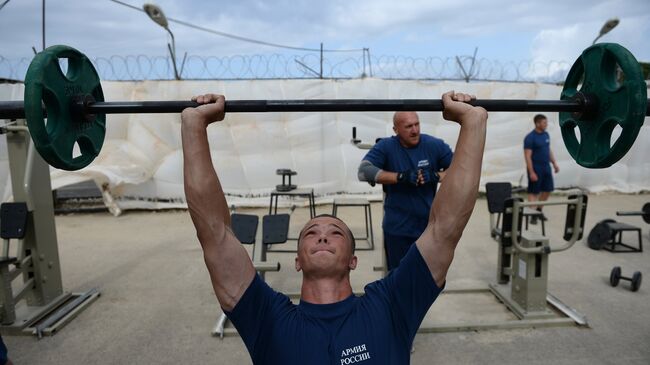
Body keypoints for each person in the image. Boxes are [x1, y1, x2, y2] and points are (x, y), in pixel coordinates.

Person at [181, 91, 487, 365]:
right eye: (310, 233)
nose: (323, 234)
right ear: (297, 260)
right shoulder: (267, 317)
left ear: (354, 260)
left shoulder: (390, 306)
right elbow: (215, 233)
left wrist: (473, 122)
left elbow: (446, 226)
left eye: (336, 232)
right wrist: (194, 126)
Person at [357, 112, 453, 270]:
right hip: (398, 229)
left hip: (428, 229)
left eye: (417, 124)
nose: (415, 130)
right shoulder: (386, 146)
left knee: (426, 280)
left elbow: (460, 169)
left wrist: (436, 175)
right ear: (396, 130)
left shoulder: (433, 145)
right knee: (398, 279)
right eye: (408, 126)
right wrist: (400, 177)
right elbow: (363, 171)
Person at [523, 114, 559, 223]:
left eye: (546, 122)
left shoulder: (546, 135)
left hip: (546, 168)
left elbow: (548, 150)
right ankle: (532, 215)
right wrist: (532, 172)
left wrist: (554, 163)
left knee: (547, 190)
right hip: (536, 168)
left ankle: (539, 210)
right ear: (537, 123)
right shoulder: (530, 138)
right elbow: (527, 156)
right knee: (533, 192)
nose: (546, 125)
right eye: (544, 123)